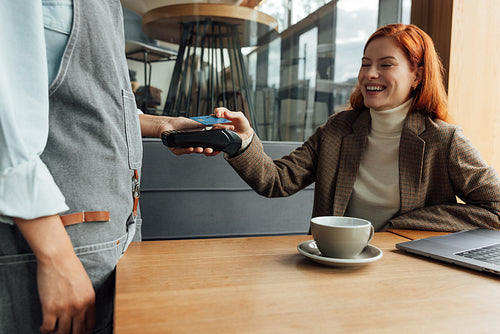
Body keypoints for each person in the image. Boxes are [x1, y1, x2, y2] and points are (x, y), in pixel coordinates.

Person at [0, 1, 208, 333]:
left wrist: (163, 124)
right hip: (52, 251)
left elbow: (92, 99)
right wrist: (55, 256)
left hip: (110, 247)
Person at [177, 23, 500, 232]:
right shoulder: (338, 129)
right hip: (333, 263)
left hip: (409, 270)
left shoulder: (445, 140)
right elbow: (277, 181)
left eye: (386, 65)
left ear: (417, 76)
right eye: (365, 63)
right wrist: (242, 141)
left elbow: (495, 209)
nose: (370, 74)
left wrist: (406, 224)